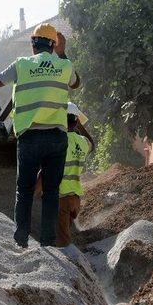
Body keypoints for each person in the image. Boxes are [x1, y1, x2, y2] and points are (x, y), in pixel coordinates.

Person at [0, 23, 81, 247]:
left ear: (33, 44)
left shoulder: (22, 65)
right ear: (54, 45)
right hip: (57, 138)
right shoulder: (64, 65)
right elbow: (76, 83)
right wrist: (62, 53)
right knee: (51, 192)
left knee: (25, 191)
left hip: (29, 137)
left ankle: (21, 241)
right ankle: (47, 243)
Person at [56, 103, 93, 247]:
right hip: (76, 198)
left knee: (63, 238)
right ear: (76, 121)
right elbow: (91, 143)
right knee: (66, 231)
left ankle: (69, 263)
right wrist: (79, 123)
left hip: (62, 196)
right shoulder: (83, 143)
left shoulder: (59, 140)